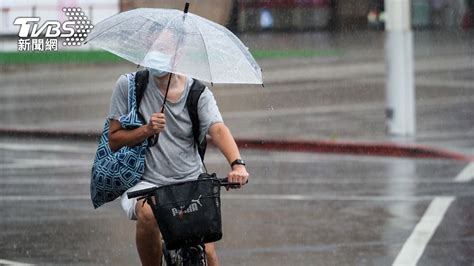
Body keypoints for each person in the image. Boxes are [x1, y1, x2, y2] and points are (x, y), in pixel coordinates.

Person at [107, 50, 249, 265]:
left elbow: (218, 129)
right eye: (153, 49)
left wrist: (237, 165)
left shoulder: (198, 93)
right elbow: (114, 139)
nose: (156, 56)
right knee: (148, 215)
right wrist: (146, 130)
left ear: (179, 55)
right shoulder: (129, 86)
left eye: (163, 50)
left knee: (208, 254)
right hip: (145, 181)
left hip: (190, 180)